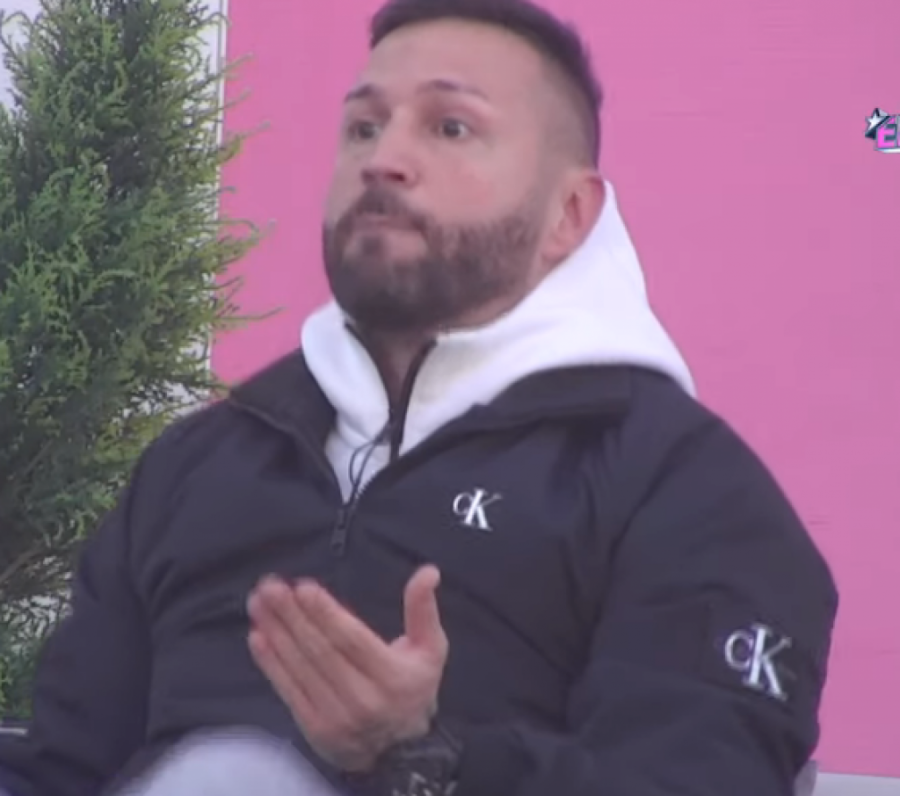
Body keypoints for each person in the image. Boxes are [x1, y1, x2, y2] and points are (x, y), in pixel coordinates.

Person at [0, 0, 838, 795]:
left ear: (569, 214)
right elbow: (61, 768)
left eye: (450, 127)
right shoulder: (199, 462)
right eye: (364, 127)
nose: (383, 158)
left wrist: (424, 760)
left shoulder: (682, 488)